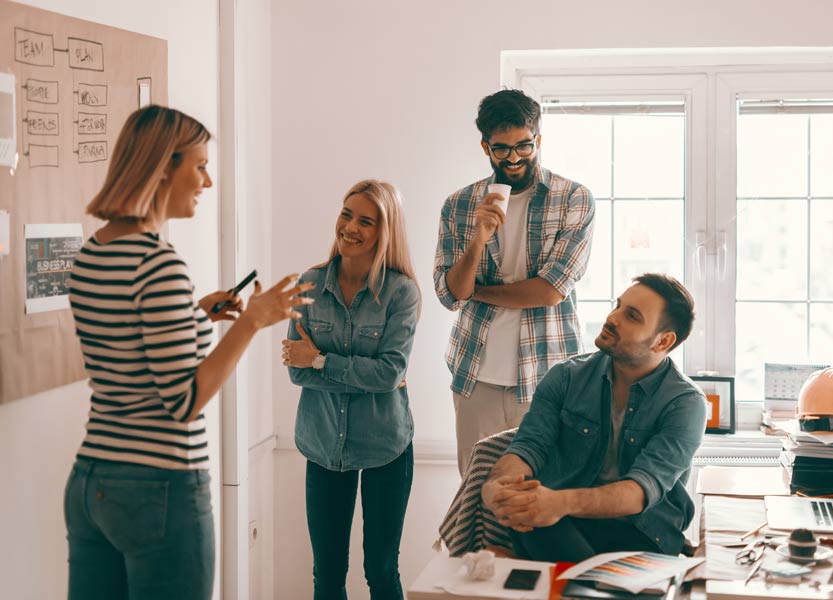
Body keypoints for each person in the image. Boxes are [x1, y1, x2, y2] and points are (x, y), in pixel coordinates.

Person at [65, 105, 312, 599]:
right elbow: (184, 402)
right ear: (162, 168)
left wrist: (195, 315)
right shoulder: (158, 265)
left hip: (93, 481)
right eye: (199, 166)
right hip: (158, 486)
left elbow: (129, 353)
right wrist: (250, 321)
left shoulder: (92, 253)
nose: (208, 181)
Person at [481, 273, 706, 562]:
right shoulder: (565, 377)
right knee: (529, 515)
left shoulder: (685, 403)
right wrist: (498, 487)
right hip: (561, 523)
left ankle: (533, 569)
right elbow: (528, 447)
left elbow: (640, 491)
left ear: (663, 341)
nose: (613, 318)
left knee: (554, 543)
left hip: (642, 530)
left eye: (632, 316)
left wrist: (557, 502)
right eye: (618, 305)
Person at [434, 89, 595, 474]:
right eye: (501, 149)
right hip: (475, 376)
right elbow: (451, 295)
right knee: (476, 498)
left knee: (542, 495)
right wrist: (478, 237)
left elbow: (550, 291)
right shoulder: (459, 204)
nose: (515, 158)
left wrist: (479, 292)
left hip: (548, 379)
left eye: (524, 146)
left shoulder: (573, 198)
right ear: (485, 146)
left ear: (537, 139)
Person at [282, 179, 420, 600]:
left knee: (380, 570)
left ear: (385, 231)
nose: (350, 228)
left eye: (366, 221)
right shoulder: (309, 283)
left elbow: (389, 372)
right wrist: (367, 373)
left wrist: (322, 360)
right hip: (322, 444)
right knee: (327, 574)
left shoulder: (401, 292)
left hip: (386, 446)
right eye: (346, 215)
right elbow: (296, 371)